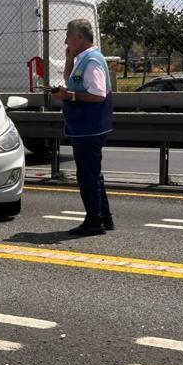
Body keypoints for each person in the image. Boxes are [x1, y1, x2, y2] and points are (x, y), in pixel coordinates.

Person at [52, 19, 114, 236]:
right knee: (93, 174)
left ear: (78, 37)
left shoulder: (93, 61)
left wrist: (69, 96)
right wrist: (69, 59)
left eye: (68, 35)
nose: (66, 40)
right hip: (86, 126)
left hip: (89, 127)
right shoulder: (83, 59)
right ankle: (103, 218)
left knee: (87, 175)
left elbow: (97, 94)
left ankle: (94, 221)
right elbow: (70, 80)